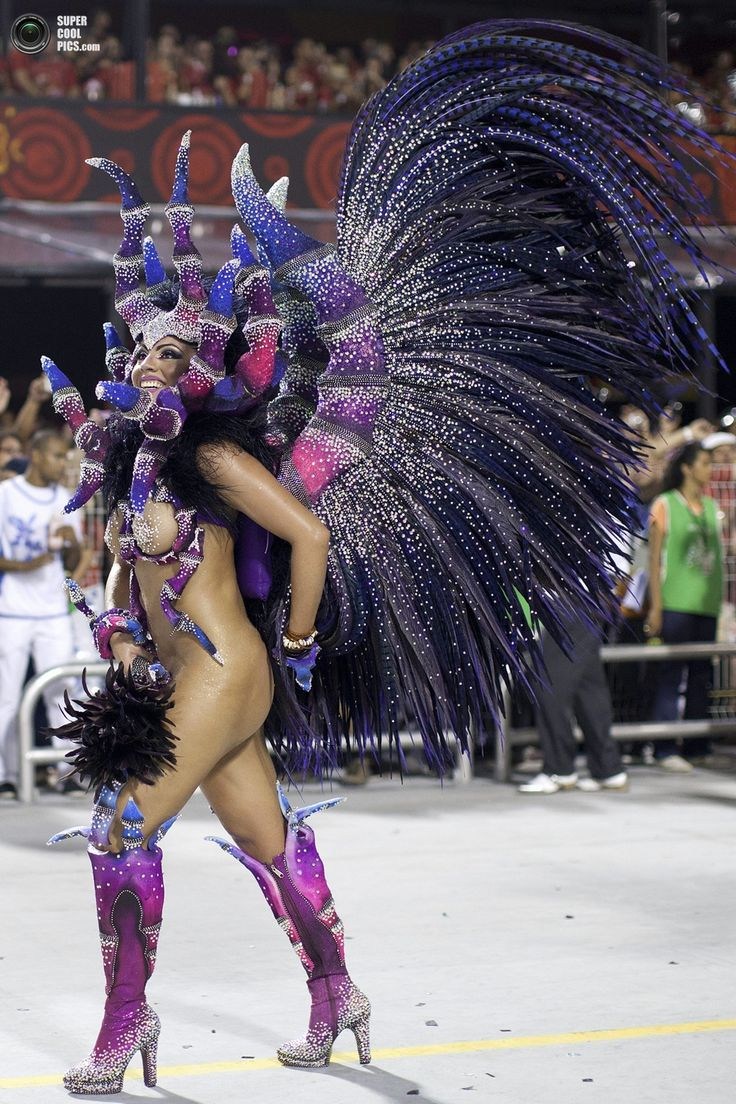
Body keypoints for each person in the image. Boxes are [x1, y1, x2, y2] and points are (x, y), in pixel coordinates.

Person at [41, 22, 732, 1096]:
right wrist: (125, 630)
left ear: (204, 368)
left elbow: (309, 535)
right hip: (184, 679)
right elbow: (133, 585)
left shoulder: (218, 456)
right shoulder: (139, 460)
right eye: (138, 345)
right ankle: (337, 998)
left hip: (226, 675)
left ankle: (123, 1027)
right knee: (269, 845)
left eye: (166, 349)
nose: (141, 359)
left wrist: (304, 639)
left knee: (116, 830)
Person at [0, 431, 82, 799]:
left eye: (65, 457)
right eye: (54, 456)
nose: (60, 464)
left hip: (51, 612)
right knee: (6, 696)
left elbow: (77, 562)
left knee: (61, 692)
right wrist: (23, 565)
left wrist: (73, 541)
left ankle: (68, 771)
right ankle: (5, 775)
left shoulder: (66, 501)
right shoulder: (6, 495)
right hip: (11, 609)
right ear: (35, 453)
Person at [646, 443, 724, 770]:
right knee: (670, 675)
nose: (710, 470)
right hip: (675, 602)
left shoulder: (711, 507)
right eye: (705, 463)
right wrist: (656, 606)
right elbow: (653, 559)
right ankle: (665, 747)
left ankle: (696, 744)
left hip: (706, 604)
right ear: (688, 468)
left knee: (701, 675)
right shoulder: (664, 504)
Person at [518, 613, 628, 794]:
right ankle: (608, 769)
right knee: (587, 687)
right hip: (581, 601)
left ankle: (559, 769)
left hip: (568, 603)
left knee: (547, 682)